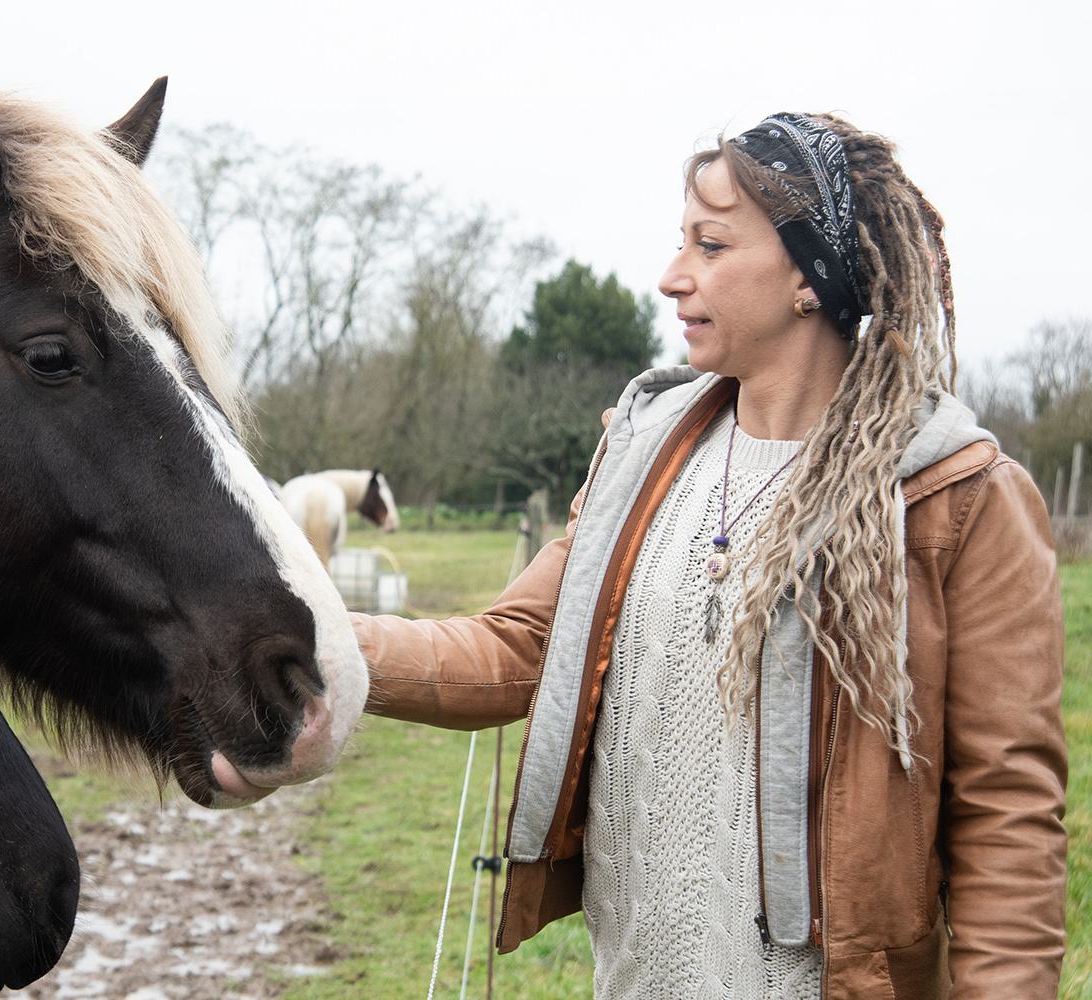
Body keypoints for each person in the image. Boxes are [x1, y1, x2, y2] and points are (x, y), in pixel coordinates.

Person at [352, 113, 1066, 998]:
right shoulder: (640, 460)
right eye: (678, 242)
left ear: (809, 276)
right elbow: (514, 651)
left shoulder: (958, 500)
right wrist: (319, 645)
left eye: (711, 245)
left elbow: (1008, 817)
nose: (670, 276)